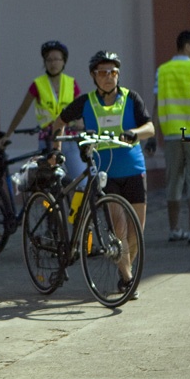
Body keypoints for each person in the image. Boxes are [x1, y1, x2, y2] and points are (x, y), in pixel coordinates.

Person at [51, 51, 154, 298]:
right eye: (103, 73)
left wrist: (135, 133)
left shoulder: (132, 98)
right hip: (106, 172)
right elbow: (58, 123)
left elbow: (150, 127)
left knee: (136, 232)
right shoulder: (86, 102)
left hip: (134, 169)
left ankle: (125, 270)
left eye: (113, 72)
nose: (109, 77)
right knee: (118, 226)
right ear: (93, 76)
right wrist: (56, 152)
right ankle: (127, 278)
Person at [0, 41, 84, 181]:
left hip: (68, 137)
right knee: (49, 183)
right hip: (47, 139)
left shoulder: (71, 83)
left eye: (57, 59)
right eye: (49, 60)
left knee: (81, 181)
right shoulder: (38, 84)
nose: (53, 63)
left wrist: (80, 125)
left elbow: (81, 109)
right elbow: (22, 111)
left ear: (64, 62)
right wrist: (8, 134)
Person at [147, 30, 190, 244]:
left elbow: (157, 105)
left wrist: (153, 134)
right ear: (188, 47)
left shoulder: (163, 71)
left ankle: (174, 229)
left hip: (170, 133)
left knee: (173, 181)